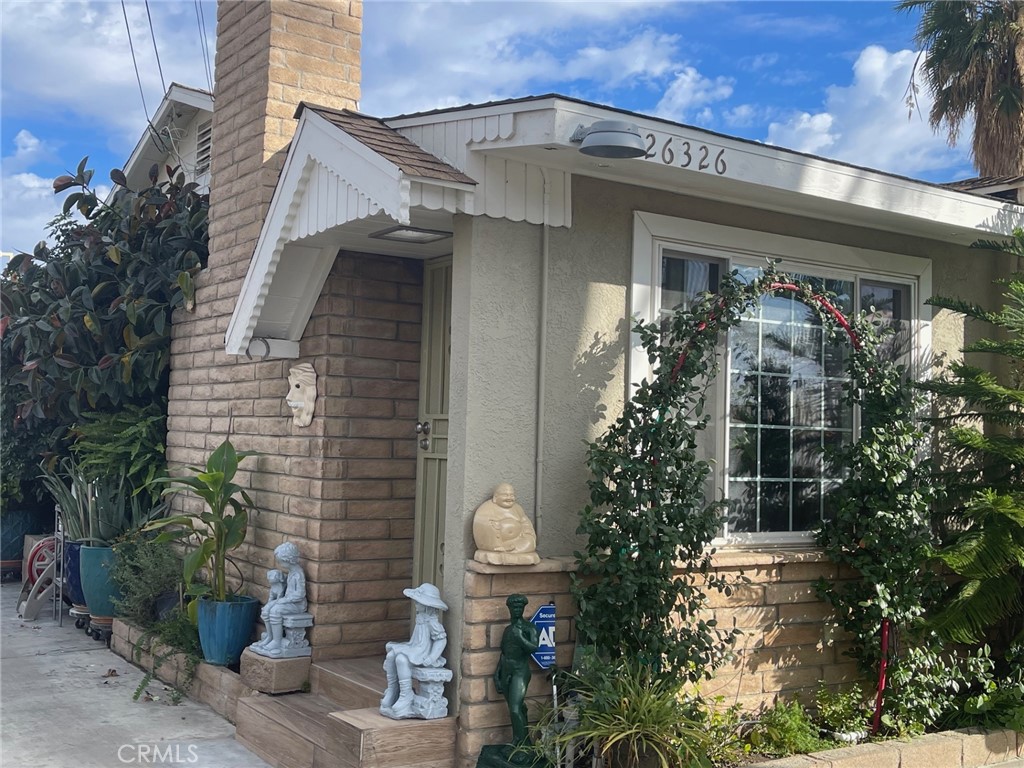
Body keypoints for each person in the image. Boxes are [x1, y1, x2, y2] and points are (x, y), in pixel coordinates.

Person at [380, 583, 449, 717]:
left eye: (419, 602)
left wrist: (431, 658)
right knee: (391, 655)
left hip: (423, 652)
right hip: (415, 647)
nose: (416, 604)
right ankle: (394, 690)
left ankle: (406, 695)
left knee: (401, 659)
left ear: (427, 606)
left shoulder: (433, 622)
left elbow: (441, 640)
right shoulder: (420, 618)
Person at [494, 594, 539, 754]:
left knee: (515, 708)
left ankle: (524, 747)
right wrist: (497, 674)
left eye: (520, 607)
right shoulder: (508, 630)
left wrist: (519, 637)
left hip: (520, 672)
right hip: (507, 671)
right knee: (518, 708)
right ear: (510, 610)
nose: (517, 610)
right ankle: (520, 740)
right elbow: (504, 653)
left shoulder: (529, 628)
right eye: (514, 608)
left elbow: (534, 647)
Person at [251, 542, 307, 657]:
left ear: (288, 559)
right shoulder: (292, 572)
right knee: (267, 609)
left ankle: (277, 641)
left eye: (281, 561)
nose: (280, 564)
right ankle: (270, 637)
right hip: (288, 601)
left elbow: (300, 594)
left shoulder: (298, 574)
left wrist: (285, 600)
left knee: (275, 611)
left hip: (297, 605)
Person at [472, 483, 540, 565]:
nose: (509, 498)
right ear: (496, 497)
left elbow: (526, 524)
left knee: (529, 543)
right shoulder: (486, 509)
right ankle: (504, 549)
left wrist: (528, 535)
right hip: (499, 544)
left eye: (512, 495)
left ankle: (512, 551)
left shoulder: (517, 508)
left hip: (518, 542)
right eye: (505, 495)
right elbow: (481, 526)